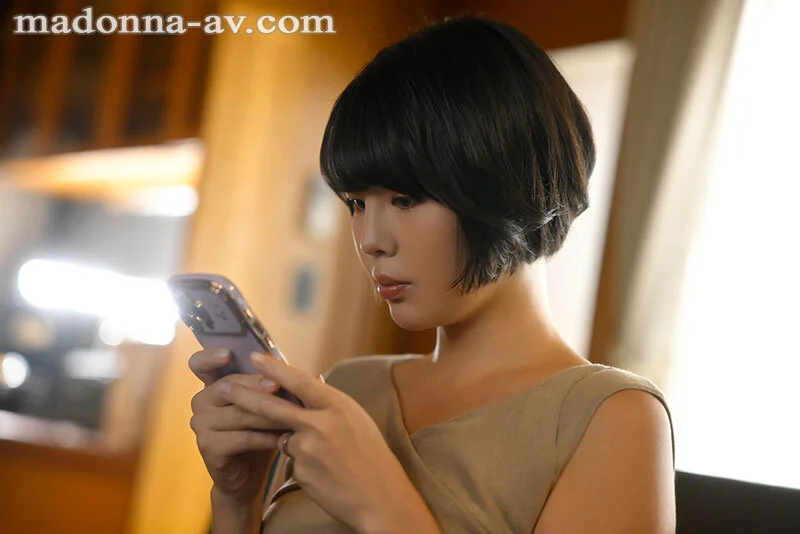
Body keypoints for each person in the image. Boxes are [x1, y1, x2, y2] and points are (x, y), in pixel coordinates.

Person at [188, 16, 676, 534]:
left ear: (506, 185)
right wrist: (237, 499)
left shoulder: (611, 418)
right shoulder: (347, 388)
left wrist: (381, 504)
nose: (370, 239)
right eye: (356, 203)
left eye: (405, 199)